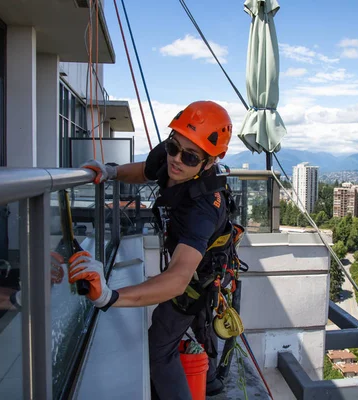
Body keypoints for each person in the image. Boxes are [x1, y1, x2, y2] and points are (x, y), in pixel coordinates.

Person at [74, 100, 237, 399]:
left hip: (195, 280)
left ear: (209, 162)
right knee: (200, 327)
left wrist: (111, 297)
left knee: (160, 346)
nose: (176, 160)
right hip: (199, 266)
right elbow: (148, 171)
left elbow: (177, 280)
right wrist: (111, 172)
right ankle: (210, 381)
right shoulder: (175, 157)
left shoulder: (201, 210)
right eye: (173, 147)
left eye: (189, 156)